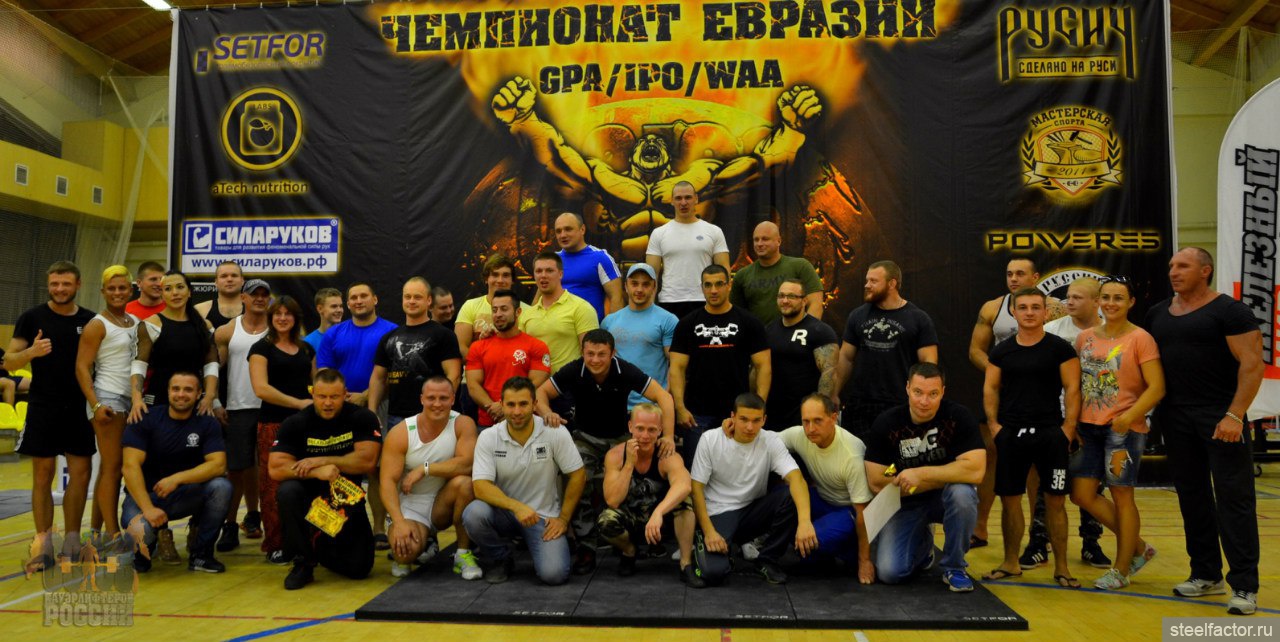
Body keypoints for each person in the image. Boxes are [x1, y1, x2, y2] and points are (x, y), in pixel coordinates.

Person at [1146, 247, 1263, 615]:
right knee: (1191, 496)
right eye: (1171, 266)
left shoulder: (1230, 311)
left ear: (1205, 271)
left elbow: (1252, 364)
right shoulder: (1157, 313)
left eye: (1183, 266)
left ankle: (1244, 585)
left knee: (1234, 499)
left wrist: (1235, 415)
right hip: (1175, 417)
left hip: (1220, 416)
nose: (1173, 272)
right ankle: (1206, 574)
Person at [536, 328, 677, 573]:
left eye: (601, 354)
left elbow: (664, 397)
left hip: (620, 438)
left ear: (612, 353)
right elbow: (540, 392)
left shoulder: (625, 370)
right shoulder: (574, 369)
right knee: (577, 481)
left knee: (632, 484)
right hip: (585, 438)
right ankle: (586, 546)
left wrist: (668, 436)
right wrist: (548, 413)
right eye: (590, 353)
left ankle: (627, 540)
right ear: (583, 352)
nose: (595, 359)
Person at [982, 287, 1081, 588]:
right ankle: (1011, 562)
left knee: (1055, 501)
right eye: (1023, 307)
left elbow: (1073, 389)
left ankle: (1062, 568)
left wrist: (1068, 429)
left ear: (1045, 312)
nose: (1029, 312)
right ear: (1013, 312)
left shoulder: (1060, 349)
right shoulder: (1001, 351)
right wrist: (995, 426)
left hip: (1051, 433)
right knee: (1010, 500)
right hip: (1011, 433)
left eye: (1035, 307)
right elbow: (990, 388)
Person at [1071, 277, 1163, 590]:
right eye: (1106, 297)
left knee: (1122, 496)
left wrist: (1129, 417)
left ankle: (1121, 569)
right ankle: (1138, 546)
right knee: (1081, 494)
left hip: (1123, 430)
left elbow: (1157, 387)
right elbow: (1078, 383)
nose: (1111, 303)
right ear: (1098, 301)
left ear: (1131, 302)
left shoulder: (1141, 338)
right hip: (1088, 428)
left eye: (1118, 298)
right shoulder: (1084, 338)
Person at [864, 364, 986, 592]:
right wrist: (943, 475)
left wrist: (921, 474)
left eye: (933, 394)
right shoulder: (887, 423)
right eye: (918, 392)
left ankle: (955, 567)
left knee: (963, 493)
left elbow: (976, 471)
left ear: (943, 392)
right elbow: (876, 482)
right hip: (905, 503)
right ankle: (924, 545)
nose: (924, 401)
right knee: (890, 572)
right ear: (907, 389)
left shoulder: (958, 417)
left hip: (945, 498)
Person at [968, 258, 1064, 546]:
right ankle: (980, 528)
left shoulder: (1055, 309)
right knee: (991, 458)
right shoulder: (993, 308)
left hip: (1042, 397)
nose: (1013, 278)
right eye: (1009, 273)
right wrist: (1001, 373)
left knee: (1036, 466)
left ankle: (1038, 534)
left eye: (1020, 273)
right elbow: (975, 350)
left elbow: (1069, 347)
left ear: (1035, 277)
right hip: (1003, 394)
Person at [7, 261, 97, 558]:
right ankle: (43, 542)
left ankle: (72, 539)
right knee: (42, 475)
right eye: (55, 284)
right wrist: (31, 352)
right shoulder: (32, 318)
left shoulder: (90, 320)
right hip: (43, 405)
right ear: (48, 285)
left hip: (79, 406)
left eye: (66, 284)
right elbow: (8, 361)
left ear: (78, 285)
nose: (60, 289)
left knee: (80, 474)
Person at [130, 271, 220, 564]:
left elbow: (211, 363)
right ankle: (162, 533)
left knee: (198, 463)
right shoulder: (151, 324)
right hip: (160, 401)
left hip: (194, 402)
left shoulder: (203, 325)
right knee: (158, 465)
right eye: (168, 288)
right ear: (162, 293)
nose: (175, 293)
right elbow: (139, 364)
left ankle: (197, 528)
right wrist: (136, 398)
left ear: (189, 291)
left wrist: (209, 396)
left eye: (180, 287)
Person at [463, 377, 586, 585]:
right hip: (504, 513)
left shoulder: (554, 432)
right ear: (501, 405)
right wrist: (517, 507)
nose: (517, 411)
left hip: (543, 517)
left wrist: (564, 519)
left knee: (554, 575)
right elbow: (480, 487)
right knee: (473, 514)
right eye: (511, 405)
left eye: (523, 404)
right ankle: (501, 557)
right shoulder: (489, 437)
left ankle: (538, 544)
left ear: (535, 404)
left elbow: (578, 474)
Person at [269, 369, 381, 590]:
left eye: (334, 397)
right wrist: (315, 471)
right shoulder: (296, 422)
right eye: (322, 396)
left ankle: (320, 543)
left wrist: (323, 460)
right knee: (288, 491)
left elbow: (367, 461)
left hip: (344, 498)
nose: (328, 403)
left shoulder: (362, 418)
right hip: (307, 498)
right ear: (312, 394)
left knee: (359, 569)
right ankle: (303, 562)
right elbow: (275, 468)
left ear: (345, 394)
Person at [1026, 276, 1108, 571]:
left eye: (1077, 297)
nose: (1069, 302)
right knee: (1046, 482)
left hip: (1096, 419)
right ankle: (1038, 542)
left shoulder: (1109, 332)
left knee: (1092, 484)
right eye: (1068, 297)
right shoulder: (1052, 331)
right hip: (1056, 418)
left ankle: (1091, 542)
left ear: (1096, 302)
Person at [690, 393, 814, 586]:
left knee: (790, 495)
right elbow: (696, 489)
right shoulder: (710, 439)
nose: (750, 427)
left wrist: (805, 522)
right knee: (713, 573)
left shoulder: (770, 440)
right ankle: (703, 541)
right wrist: (708, 532)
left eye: (756, 420)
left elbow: (796, 479)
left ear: (764, 420)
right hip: (719, 512)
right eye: (744, 419)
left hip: (753, 512)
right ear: (732, 417)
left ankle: (767, 560)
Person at [120, 372, 232, 574]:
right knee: (140, 530)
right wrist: (148, 508)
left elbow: (218, 465)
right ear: (168, 392)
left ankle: (201, 555)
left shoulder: (207, 423)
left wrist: (177, 479)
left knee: (221, 488)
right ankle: (143, 553)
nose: (181, 394)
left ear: (198, 394)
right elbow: (129, 467)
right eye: (176, 389)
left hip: (185, 495)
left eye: (188, 390)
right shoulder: (144, 418)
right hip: (145, 497)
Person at [758, 394, 875, 583]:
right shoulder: (801, 435)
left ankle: (850, 552)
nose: (811, 428)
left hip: (850, 511)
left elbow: (864, 513)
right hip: (822, 500)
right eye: (806, 421)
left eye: (818, 421)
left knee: (811, 540)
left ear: (834, 418)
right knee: (782, 498)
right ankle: (822, 554)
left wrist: (865, 561)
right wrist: (730, 428)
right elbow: (764, 440)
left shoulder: (852, 454)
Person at [317, 282, 397, 549]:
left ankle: (379, 529)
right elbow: (324, 373)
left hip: (381, 406)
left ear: (375, 299)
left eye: (364, 296)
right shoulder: (334, 333)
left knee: (377, 470)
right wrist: (340, 397)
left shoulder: (391, 332)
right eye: (353, 297)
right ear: (348, 303)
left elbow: (396, 373)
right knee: (338, 468)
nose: (358, 300)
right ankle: (337, 529)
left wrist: (366, 395)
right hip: (340, 408)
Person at [379, 377, 481, 579]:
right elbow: (387, 482)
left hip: (443, 504)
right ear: (421, 399)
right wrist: (398, 521)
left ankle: (463, 553)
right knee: (404, 555)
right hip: (411, 505)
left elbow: (467, 464)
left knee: (465, 483)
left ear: (453, 399)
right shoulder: (402, 432)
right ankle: (424, 540)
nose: (437, 404)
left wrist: (425, 469)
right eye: (431, 398)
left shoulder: (462, 423)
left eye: (443, 398)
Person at [669, 264, 770, 462]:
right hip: (697, 413)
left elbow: (763, 367)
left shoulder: (749, 322)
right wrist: (680, 408)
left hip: (737, 412)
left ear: (728, 285)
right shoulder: (687, 324)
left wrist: (759, 407)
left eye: (719, 284)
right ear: (702, 287)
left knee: (737, 468)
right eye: (708, 285)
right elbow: (677, 368)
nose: (713, 290)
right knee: (696, 470)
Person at [833, 260, 938, 438]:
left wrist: (921, 399)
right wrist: (834, 393)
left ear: (892, 283)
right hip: (861, 403)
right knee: (860, 453)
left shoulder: (918, 319)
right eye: (867, 280)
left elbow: (929, 365)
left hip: (899, 402)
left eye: (873, 281)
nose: (867, 285)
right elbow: (845, 358)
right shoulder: (857, 315)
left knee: (896, 453)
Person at [598, 403, 698, 584]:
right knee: (606, 521)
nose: (645, 436)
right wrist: (629, 464)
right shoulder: (615, 455)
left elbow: (684, 485)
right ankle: (629, 551)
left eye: (651, 430)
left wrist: (659, 512)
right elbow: (612, 500)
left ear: (660, 430)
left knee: (685, 501)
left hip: (660, 520)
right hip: (632, 518)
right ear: (630, 427)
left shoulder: (666, 454)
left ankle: (686, 563)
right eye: (640, 429)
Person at [248, 295, 316, 564]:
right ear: (271, 317)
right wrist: (298, 403)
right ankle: (276, 544)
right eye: (278, 314)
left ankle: (309, 541)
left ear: (296, 318)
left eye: (288, 314)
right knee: (272, 486)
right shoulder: (260, 348)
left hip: (307, 425)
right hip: (273, 424)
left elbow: (316, 383)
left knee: (308, 480)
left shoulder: (306, 348)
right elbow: (261, 389)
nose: (283, 318)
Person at [75, 265, 140, 541]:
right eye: (111, 288)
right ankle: (113, 535)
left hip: (130, 398)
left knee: (109, 469)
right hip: (107, 398)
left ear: (130, 290)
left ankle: (95, 532)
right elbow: (82, 367)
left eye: (122, 287)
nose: (117, 292)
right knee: (113, 468)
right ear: (103, 291)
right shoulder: (97, 324)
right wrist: (96, 404)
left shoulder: (134, 321)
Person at [212, 278, 271, 553]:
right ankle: (229, 525)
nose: (259, 298)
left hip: (272, 407)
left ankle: (267, 522)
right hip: (238, 408)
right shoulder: (227, 330)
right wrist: (214, 400)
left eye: (263, 294)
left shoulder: (279, 328)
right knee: (236, 469)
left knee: (270, 470)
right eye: (253, 294)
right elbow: (212, 367)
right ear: (243, 298)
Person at [369, 277, 462, 429]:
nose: (411, 301)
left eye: (417, 297)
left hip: (433, 414)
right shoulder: (388, 338)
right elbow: (378, 378)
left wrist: (441, 406)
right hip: (396, 417)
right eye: (407, 297)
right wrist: (372, 412)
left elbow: (454, 375)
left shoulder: (445, 335)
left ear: (429, 300)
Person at [465, 290, 552, 428]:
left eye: (504, 309)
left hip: (525, 423)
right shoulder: (478, 347)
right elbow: (473, 385)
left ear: (518, 312)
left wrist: (504, 407)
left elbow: (535, 384)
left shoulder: (537, 346)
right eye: (494, 310)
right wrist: (494, 409)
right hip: (488, 422)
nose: (498, 314)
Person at [645, 180, 731, 320]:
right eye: (678, 198)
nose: (683, 203)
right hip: (669, 301)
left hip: (705, 300)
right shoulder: (659, 233)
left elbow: (724, 271)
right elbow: (651, 275)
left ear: (696, 199)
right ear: (671, 201)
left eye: (688, 197)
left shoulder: (714, 231)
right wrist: (648, 309)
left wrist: (725, 305)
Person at [601, 263, 678, 410]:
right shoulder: (609, 321)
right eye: (634, 284)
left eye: (646, 284)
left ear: (654, 287)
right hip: (616, 404)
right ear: (626, 286)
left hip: (652, 406)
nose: (639, 289)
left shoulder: (668, 320)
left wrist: (664, 398)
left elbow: (675, 365)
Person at [765, 279, 838, 431]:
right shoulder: (769, 330)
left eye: (792, 296)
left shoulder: (820, 331)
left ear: (804, 301)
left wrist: (819, 410)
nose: (785, 301)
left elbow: (829, 373)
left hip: (806, 415)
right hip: (773, 414)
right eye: (781, 296)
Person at [730, 221, 824, 325]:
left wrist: (806, 331)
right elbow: (735, 315)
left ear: (778, 241)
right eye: (756, 240)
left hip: (795, 332)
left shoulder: (800, 266)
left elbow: (816, 304)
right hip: (757, 334)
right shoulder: (742, 275)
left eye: (765, 239)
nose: (759, 244)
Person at [519, 251, 599, 373]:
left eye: (549, 271)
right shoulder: (527, 313)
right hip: (535, 382)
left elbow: (591, 355)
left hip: (569, 383)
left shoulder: (581, 308)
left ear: (561, 274)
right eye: (539, 271)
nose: (543, 275)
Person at [455, 253, 530, 359]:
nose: (500, 280)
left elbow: (530, 349)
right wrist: (479, 365)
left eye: (505, 275)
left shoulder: (527, 311)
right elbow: (461, 346)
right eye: (495, 275)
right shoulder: (470, 306)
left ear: (512, 280)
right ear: (486, 279)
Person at [554, 212, 623, 320]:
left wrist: (614, 328)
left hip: (590, 328)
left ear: (582, 229)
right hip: (557, 326)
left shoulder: (601, 258)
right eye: (558, 231)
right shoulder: (552, 260)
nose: (563, 235)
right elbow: (539, 297)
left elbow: (616, 297)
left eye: (568, 229)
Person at [196, 260, 245, 329]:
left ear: (242, 281)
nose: (229, 279)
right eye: (224, 276)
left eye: (234, 276)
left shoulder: (256, 309)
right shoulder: (200, 310)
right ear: (216, 282)